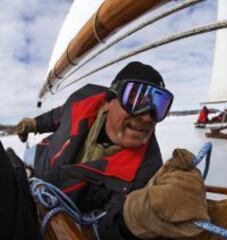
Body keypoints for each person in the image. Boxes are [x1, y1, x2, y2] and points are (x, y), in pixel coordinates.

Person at [15, 61, 209, 239]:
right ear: (108, 102)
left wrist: (132, 219)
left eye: (159, 106)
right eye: (136, 98)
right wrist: (35, 124)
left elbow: (106, 227)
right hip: (35, 162)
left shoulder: (145, 171)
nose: (148, 116)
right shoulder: (85, 97)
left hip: (56, 214)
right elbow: (60, 114)